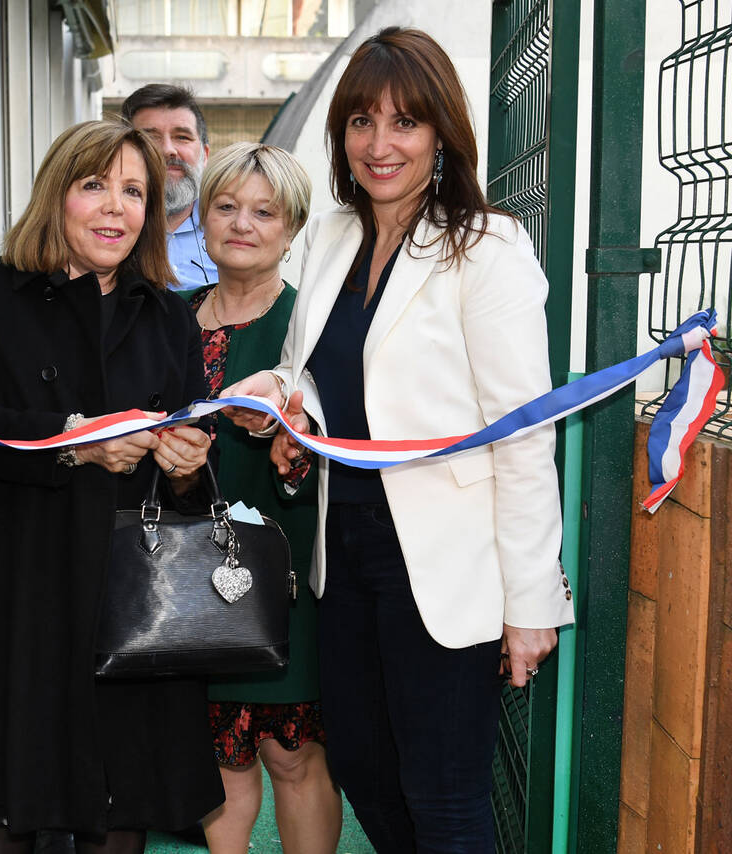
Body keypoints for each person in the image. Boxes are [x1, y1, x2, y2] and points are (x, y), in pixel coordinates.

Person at [222, 28, 575, 853]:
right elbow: (309, 367)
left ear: (441, 132)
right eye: (361, 121)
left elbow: (524, 433)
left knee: (443, 797)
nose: (380, 145)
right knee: (364, 770)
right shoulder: (332, 236)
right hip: (341, 552)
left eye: (405, 122)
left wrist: (530, 604)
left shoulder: (487, 247)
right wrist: (283, 399)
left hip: (444, 567)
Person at [0, 119, 222, 854]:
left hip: (129, 596)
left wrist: (186, 466)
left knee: (121, 803)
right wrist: (77, 443)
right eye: (94, 185)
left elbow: (196, 466)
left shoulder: (169, 315)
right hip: (11, 585)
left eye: (134, 192)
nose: (115, 208)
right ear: (57, 194)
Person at [181, 142, 342, 853]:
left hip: (284, 571)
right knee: (220, 755)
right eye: (225, 206)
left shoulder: (315, 327)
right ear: (201, 217)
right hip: (181, 576)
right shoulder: (165, 318)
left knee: (291, 754)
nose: (242, 224)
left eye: (264, 212)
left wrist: (297, 452)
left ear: (293, 227)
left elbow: (339, 444)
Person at [122, 83, 220, 290]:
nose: (168, 150)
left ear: (205, 155)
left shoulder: (232, 228)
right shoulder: (105, 226)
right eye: (150, 138)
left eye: (182, 137)